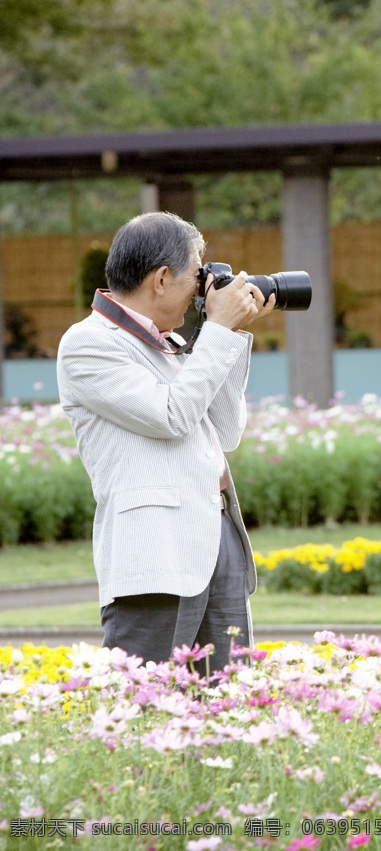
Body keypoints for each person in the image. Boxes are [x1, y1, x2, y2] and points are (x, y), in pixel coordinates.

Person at [56, 211, 274, 673]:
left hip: (218, 536)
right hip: (154, 550)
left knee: (229, 699)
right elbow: (171, 416)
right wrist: (214, 331)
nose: (204, 288)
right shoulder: (90, 343)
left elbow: (226, 430)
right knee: (144, 705)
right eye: (198, 274)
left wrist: (226, 332)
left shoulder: (170, 342)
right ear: (161, 278)